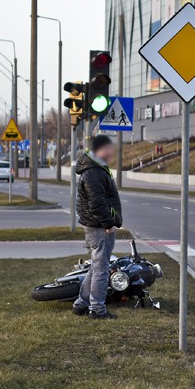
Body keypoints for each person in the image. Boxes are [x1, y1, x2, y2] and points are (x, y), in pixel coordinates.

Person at [73, 135, 123, 319]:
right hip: (99, 227)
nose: (111, 152)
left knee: (96, 267)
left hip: (96, 225)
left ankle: (81, 303)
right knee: (101, 269)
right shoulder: (93, 172)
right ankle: (97, 309)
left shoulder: (95, 168)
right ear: (99, 149)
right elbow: (96, 203)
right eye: (108, 148)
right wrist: (108, 224)